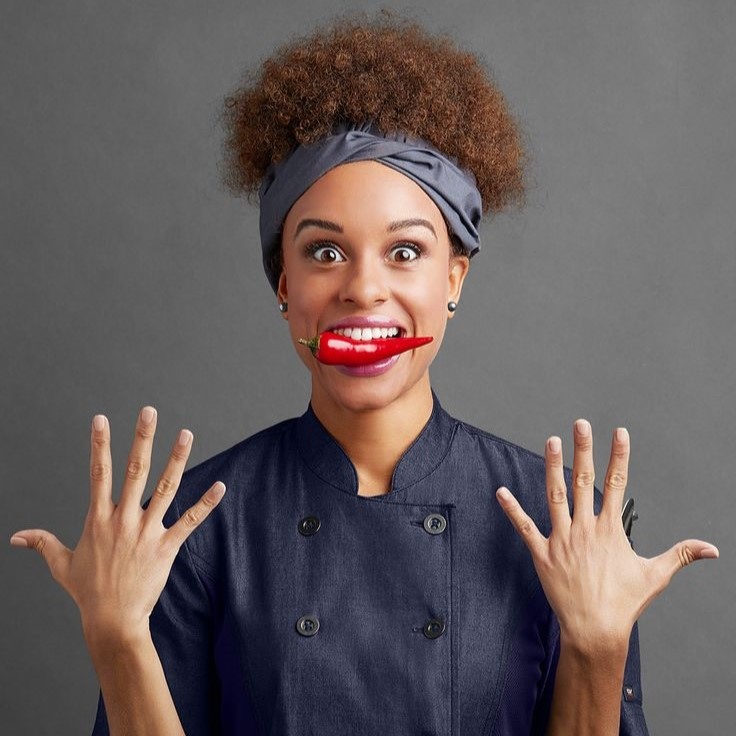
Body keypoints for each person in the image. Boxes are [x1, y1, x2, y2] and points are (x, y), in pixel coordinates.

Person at [10, 14, 718, 736]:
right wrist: (117, 640)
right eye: (324, 253)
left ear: (455, 278)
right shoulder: (192, 529)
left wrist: (599, 649)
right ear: (283, 283)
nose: (363, 290)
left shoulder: (562, 528)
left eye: (405, 252)